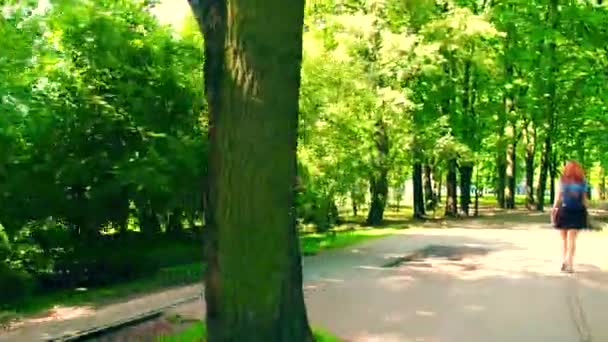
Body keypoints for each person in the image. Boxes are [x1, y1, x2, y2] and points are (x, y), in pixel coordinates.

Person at [551, 160, 589, 273]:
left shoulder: (562, 180)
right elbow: (584, 199)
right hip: (578, 211)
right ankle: (570, 263)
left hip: (564, 211)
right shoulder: (582, 181)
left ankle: (564, 260)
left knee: (563, 238)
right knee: (572, 238)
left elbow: (557, 198)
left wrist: (554, 209)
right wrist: (586, 211)